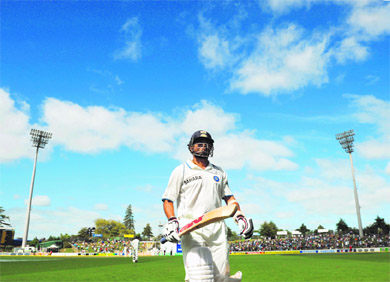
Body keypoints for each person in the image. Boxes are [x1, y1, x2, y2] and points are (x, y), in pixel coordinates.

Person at [162, 130, 254, 282]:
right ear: (191, 147)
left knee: (220, 277)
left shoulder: (219, 172)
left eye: (207, 144)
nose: (203, 147)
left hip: (216, 228)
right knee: (200, 276)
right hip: (192, 228)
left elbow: (230, 198)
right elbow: (168, 199)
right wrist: (172, 220)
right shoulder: (181, 171)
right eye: (199, 144)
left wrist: (240, 217)